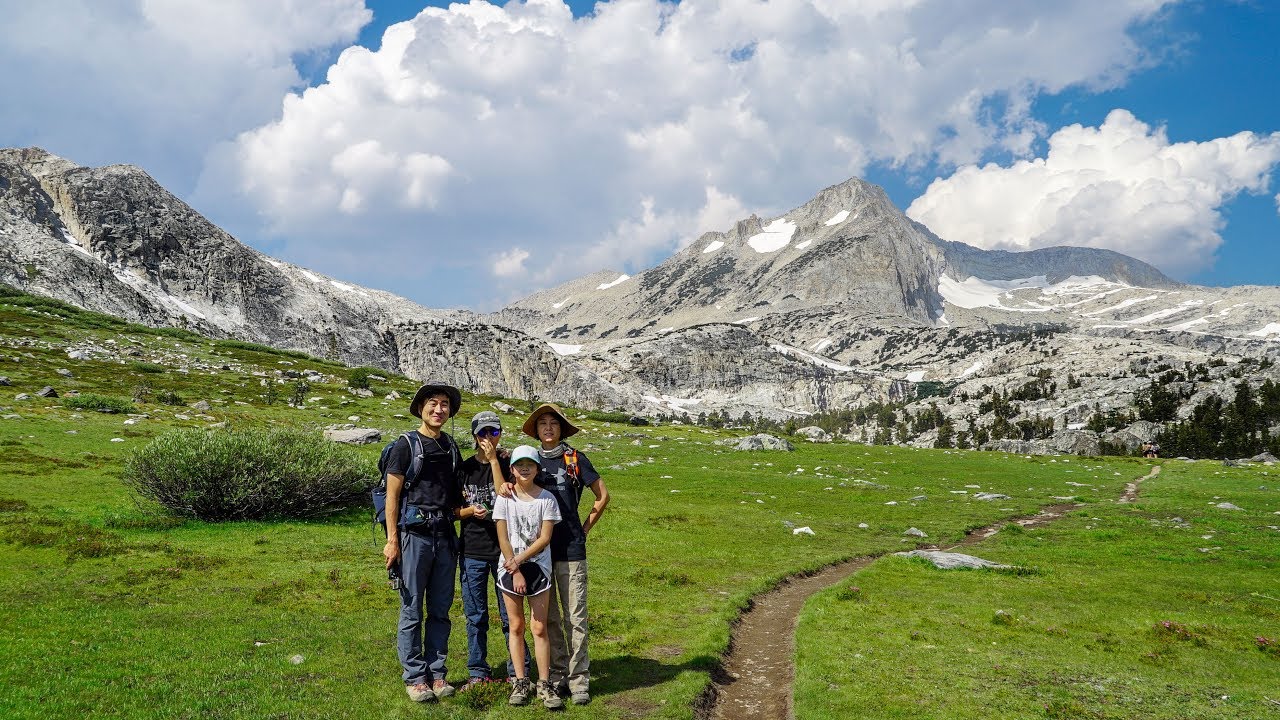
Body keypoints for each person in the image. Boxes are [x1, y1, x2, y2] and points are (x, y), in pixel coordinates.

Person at [383, 381, 465, 703]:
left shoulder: (451, 447)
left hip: (445, 537)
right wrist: (392, 541)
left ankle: (438, 673)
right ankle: (415, 677)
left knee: (441, 610)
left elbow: (455, 493)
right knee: (412, 609)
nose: (439, 409)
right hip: (413, 538)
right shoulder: (406, 446)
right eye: (433, 403)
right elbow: (392, 497)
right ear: (421, 407)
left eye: (444, 404)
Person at [523, 403, 610, 705]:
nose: (548, 428)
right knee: (549, 620)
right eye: (543, 423)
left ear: (561, 429)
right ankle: (558, 676)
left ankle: (579, 680)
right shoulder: (528, 460)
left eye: (554, 423)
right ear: (536, 430)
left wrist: (585, 528)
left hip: (572, 549)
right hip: (540, 553)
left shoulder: (576, 459)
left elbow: (603, 495)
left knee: (576, 617)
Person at [457, 410, 530, 685]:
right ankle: (478, 671)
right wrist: (468, 512)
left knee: (510, 615)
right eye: (483, 433)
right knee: (475, 615)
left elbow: (505, 494)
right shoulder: (464, 469)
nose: (489, 438)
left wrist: (493, 462)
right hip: (472, 550)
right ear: (475, 436)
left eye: (495, 432)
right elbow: (453, 509)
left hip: (505, 552)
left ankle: (518, 671)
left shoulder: (510, 463)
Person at [494, 445, 563, 709]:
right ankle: (521, 681)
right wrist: (515, 570)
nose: (524, 469)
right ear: (511, 469)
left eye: (530, 464)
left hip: (537, 568)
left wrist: (519, 562)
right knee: (516, 626)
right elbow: (502, 536)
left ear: (537, 469)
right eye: (519, 465)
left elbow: (545, 538)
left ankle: (544, 683)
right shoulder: (504, 499)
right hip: (510, 568)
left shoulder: (547, 500)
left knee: (539, 627)